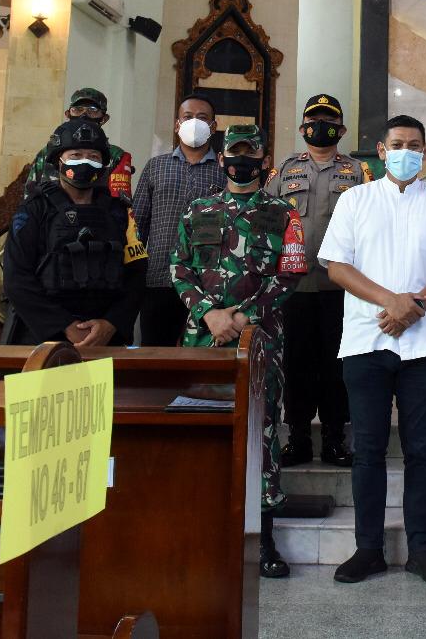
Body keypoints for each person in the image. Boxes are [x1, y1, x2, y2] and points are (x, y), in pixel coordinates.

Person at [317, 115, 426, 585]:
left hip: (424, 345)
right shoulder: (355, 199)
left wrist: (417, 305)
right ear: (381, 151)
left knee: (422, 451)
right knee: (367, 450)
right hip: (366, 340)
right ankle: (369, 548)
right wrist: (391, 301)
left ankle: (422, 549)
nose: (406, 151)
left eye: (415, 145)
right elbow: (336, 267)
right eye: (397, 144)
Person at [170, 123, 308, 579]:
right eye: (235, 154)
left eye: (250, 154)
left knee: (263, 431)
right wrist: (210, 314)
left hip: (260, 337)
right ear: (224, 157)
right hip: (201, 339)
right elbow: (179, 267)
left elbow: (289, 274)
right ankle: (196, 529)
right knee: (200, 429)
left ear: (263, 158)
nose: (241, 162)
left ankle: (264, 537)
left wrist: (242, 316)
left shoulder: (284, 213)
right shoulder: (198, 208)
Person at [264, 95, 370, 468]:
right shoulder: (285, 170)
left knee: (337, 364)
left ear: (340, 129)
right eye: (314, 120)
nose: (319, 126)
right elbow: (266, 219)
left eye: (328, 121)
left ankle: (335, 438)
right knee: (296, 363)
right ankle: (297, 436)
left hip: (343, 288)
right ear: (303, 127)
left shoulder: (358, 172)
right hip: (294, 287)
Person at [4, 120, 148, 347]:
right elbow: (16, 279)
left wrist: (111, 324)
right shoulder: (34, 210)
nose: (85, 161)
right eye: (76, 155)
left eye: (93, 156)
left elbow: (136, 276)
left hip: (104, 341)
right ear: (57, 160)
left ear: (103, 163)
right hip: (41, 340)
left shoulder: (119, 213)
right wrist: (65, 327)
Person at [133, 94, 223, 345]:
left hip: (207, 284)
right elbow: (138, 223)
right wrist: (134, 276)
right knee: (156, 355)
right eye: (188, 117)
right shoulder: (156, 166)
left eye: (202, 118)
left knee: (202, 360)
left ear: (213, 127)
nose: (195, 122)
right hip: (158, 279)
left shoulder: (224, 170)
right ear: (177, 125)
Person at [24, 87, 133, 199]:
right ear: (68, 114)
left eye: (93, 110)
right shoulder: (50, 151)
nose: (84, 116)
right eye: (77, 109)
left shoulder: (115, 156)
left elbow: (120, 203)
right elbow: (30, 197)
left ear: (104, 118)